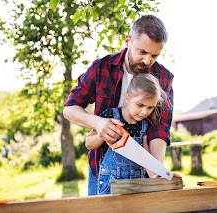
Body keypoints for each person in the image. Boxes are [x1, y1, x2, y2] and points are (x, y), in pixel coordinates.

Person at [63, 14, 176, 196]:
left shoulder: (163, 78)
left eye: (154, 55)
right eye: (142, 52)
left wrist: (155, 169)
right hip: (102, 172)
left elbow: (160, 128)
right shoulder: (101, 68)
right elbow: (70, 109)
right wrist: (98, 123)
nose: (147, 61)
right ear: (128, 41)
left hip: (142, 173)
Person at [85, 73, 170, 194]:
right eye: (140, 105)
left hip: (137, 186)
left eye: (150, 107)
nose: (144, 112)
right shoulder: (110, 116)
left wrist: (162, 174)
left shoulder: (144, 125)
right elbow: (89, 144)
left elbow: (145, 158)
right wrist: (102, 134)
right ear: (127, 97)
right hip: (110, 186)